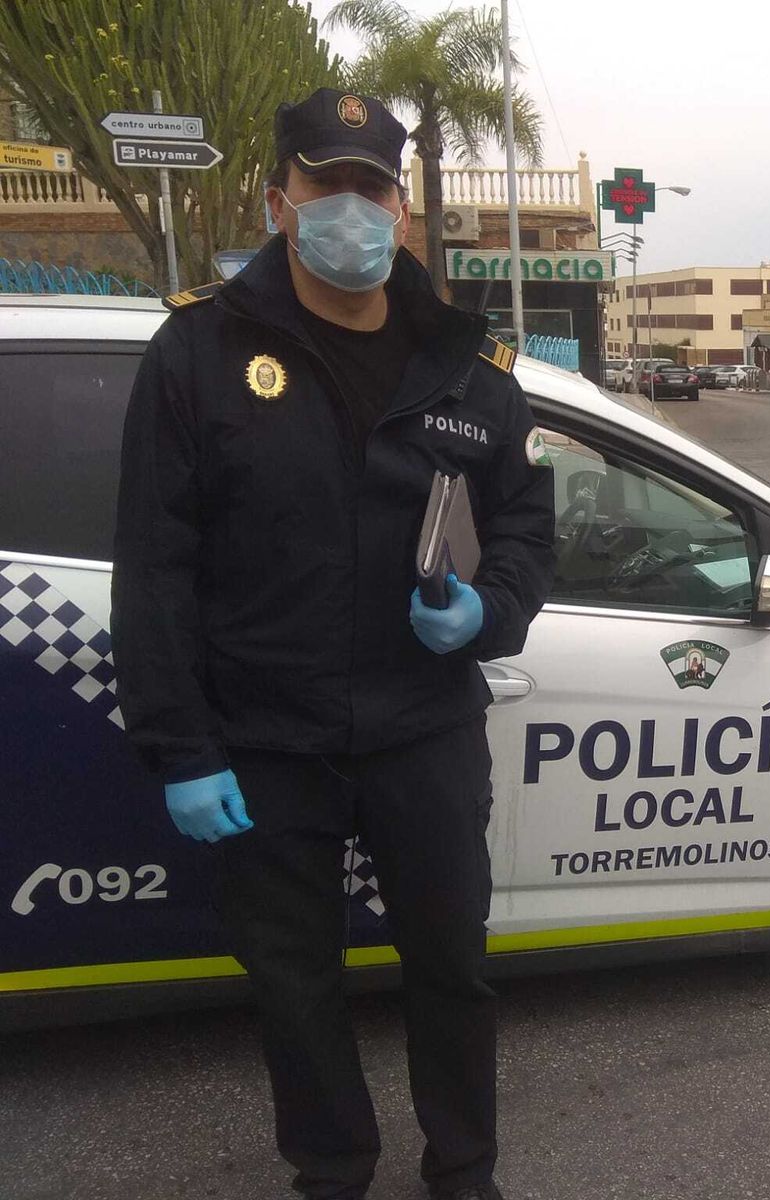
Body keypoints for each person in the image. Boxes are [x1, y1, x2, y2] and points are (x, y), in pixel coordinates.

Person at [112, 88, 556, 1200]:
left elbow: (523, 529)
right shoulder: (200, 350)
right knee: (294, 981)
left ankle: (464, 1172)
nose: (351, 207)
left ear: (402, 210)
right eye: (327, 185)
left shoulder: (470, 364)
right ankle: (332, 1172)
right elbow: (155, 564)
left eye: (373, 186)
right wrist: (182, 746)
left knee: (453, 969)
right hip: (266, 740)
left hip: (423, 729)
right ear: (279, 201)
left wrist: (486, 613)